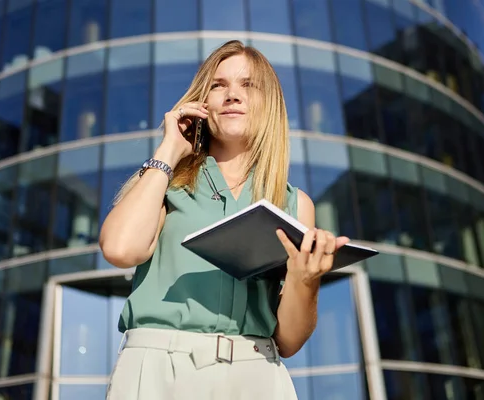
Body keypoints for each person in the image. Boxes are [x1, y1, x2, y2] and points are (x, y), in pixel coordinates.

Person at [99, 40, 349, 400]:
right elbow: (120, 249)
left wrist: (305, 280)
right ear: (202, 102)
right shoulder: (164, 181)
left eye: (248, 85)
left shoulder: (294, 204)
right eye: (219, 85)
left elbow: (290, 340)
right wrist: (169, 150)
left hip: (257, 375)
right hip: (158, 371)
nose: (232, 95)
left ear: (269, 105)